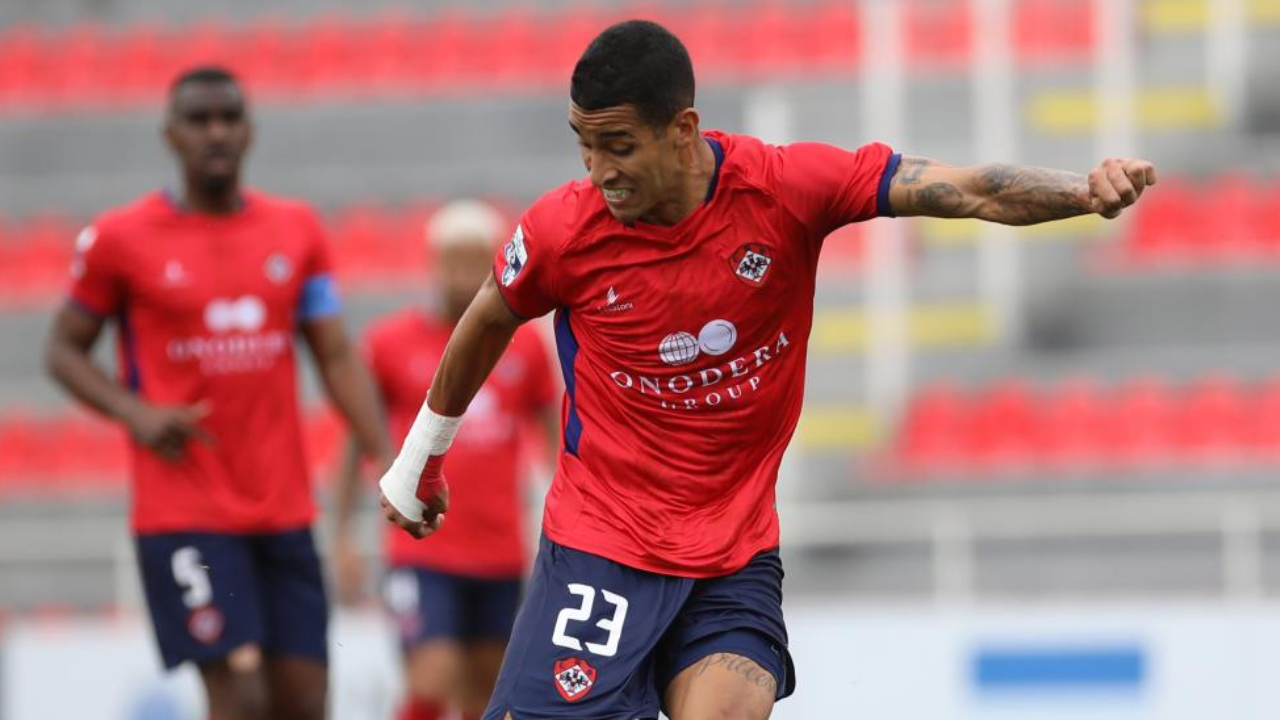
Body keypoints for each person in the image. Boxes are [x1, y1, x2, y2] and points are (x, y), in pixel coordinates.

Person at [376, 20, 1159, 720]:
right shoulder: (563, 231)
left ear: (683, 130)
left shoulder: (784, 189)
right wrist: (421, 460)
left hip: (733, 550)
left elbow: (970, 192)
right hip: (603, 545)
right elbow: (489, 316)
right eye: (584, 144)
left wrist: (1085, 192)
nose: (599, 169)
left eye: (619, 146)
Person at [44, 66, 389, 720]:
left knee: (304, 701)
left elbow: (336, 355)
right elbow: (62, 349)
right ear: (170, 135)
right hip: (185, 508)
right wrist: (134, 411)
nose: (216, 132)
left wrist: (388, 456)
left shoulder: (297, 230)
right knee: (241, 697)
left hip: (282, 508)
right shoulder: (120, 239)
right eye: (199, 120)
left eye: (229, 118)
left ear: (249, 130)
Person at [330, 199, 558, 720]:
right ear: (434, 262)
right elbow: (355, 443)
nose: (462, 272)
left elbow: (555, 436)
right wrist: (341, 534)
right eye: (453, 259)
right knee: (433, 676)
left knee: (485, 693)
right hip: (421, 548)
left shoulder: (524, 348)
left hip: (500, 550)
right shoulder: (390, 342)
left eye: (475, 259)